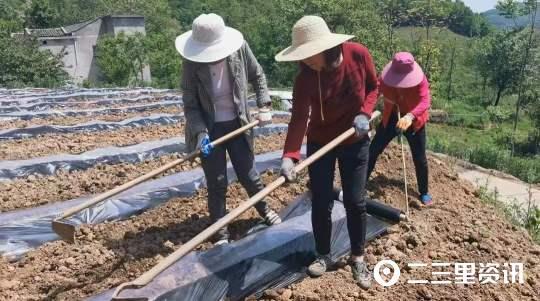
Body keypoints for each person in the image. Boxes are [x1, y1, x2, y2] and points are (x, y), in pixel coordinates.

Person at [276, 15, 378, 289]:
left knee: (355, 201)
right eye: (302, 56)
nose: (306, 60)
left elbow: (373, 87)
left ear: (326, 48)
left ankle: (357, 256)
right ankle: (323, 254)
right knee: (321, 200)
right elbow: (299, 117)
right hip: (321, 142)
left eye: (310, 54)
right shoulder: (305, 78)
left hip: (355, 139)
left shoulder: (358, 55)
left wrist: (364, 114)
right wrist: (290, 155)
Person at [176, 13, 281, 245]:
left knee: (249, 174)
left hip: (238, 123)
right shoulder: (192, 63)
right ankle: (220, 231)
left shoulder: (239, 49)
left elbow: (257, 75)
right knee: (217, 182)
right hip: (208, 129)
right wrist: (200, 133)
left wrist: (264, 104)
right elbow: (191, 104)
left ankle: (264, 210)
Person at [367, 52, 432, 205]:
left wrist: (410, 116)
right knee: (373, 149)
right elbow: (374, 93)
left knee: (420, 158)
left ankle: (424, 191)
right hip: (391, 117)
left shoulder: (420, 80)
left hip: (414, 121)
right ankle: (361, 183)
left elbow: (425, 101)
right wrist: (364, 112)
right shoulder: (384, 79)